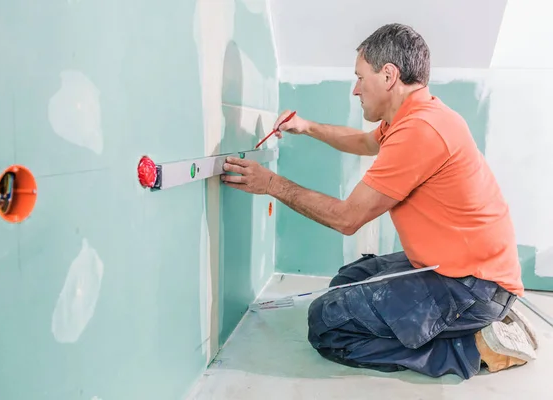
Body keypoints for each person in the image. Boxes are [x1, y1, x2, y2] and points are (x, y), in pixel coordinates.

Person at [220, 23, 538, 379]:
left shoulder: (421, 130)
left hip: (472, 286)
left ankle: (474, 346)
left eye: (360, 77)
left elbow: (347, 219)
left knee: (328, 323)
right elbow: (365, 143)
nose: (356, 90)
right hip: (457, 267)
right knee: (348, 280)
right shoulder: (412, 116)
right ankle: (476, 323)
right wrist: (308, 127)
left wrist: (271, 185)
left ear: (388, 75)